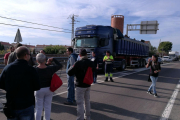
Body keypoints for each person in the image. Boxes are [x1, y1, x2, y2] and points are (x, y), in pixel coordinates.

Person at [0, 46, 40, 120]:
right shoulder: (31, 70)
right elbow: (37, 86)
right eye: (29, 54)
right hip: (27, 105)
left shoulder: (7, 68)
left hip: (11, 105)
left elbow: (1, 84)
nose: (30, 56)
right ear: (25, 55)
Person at [68, 49, 95, 120]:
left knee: (80, 103)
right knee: (87, 101)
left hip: (80, 85)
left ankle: (80, 118)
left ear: (79, 55)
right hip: (88, 84)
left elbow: (69, 72)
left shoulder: (78, 63)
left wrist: (73, 65)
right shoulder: (91, 62)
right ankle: (88, 117)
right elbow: (95, 70)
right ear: (86, 54)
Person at [34, 53, 62, 120]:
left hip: (38, 89)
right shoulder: (50, 69)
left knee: (38, 108)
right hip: (49, 89)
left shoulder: (34, 69)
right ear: (45, 60)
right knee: (47, 107)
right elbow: (60, 65)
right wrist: (53, 59)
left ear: (37, 61)